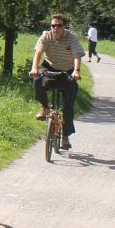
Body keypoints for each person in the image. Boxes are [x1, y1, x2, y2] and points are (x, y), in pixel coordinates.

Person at [29, 13, 81, 150]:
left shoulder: (71, 38)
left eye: (59, 25)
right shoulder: (46, 36)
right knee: (37, 80)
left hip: (67, 71)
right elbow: (39, 52)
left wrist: (76, 71)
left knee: (68, 105)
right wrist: (34, 68)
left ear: (64, 26)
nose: (55, 28)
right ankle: (45, 107)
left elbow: (76, 55)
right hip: (49, 68)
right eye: (53, 25)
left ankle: (65, 137)